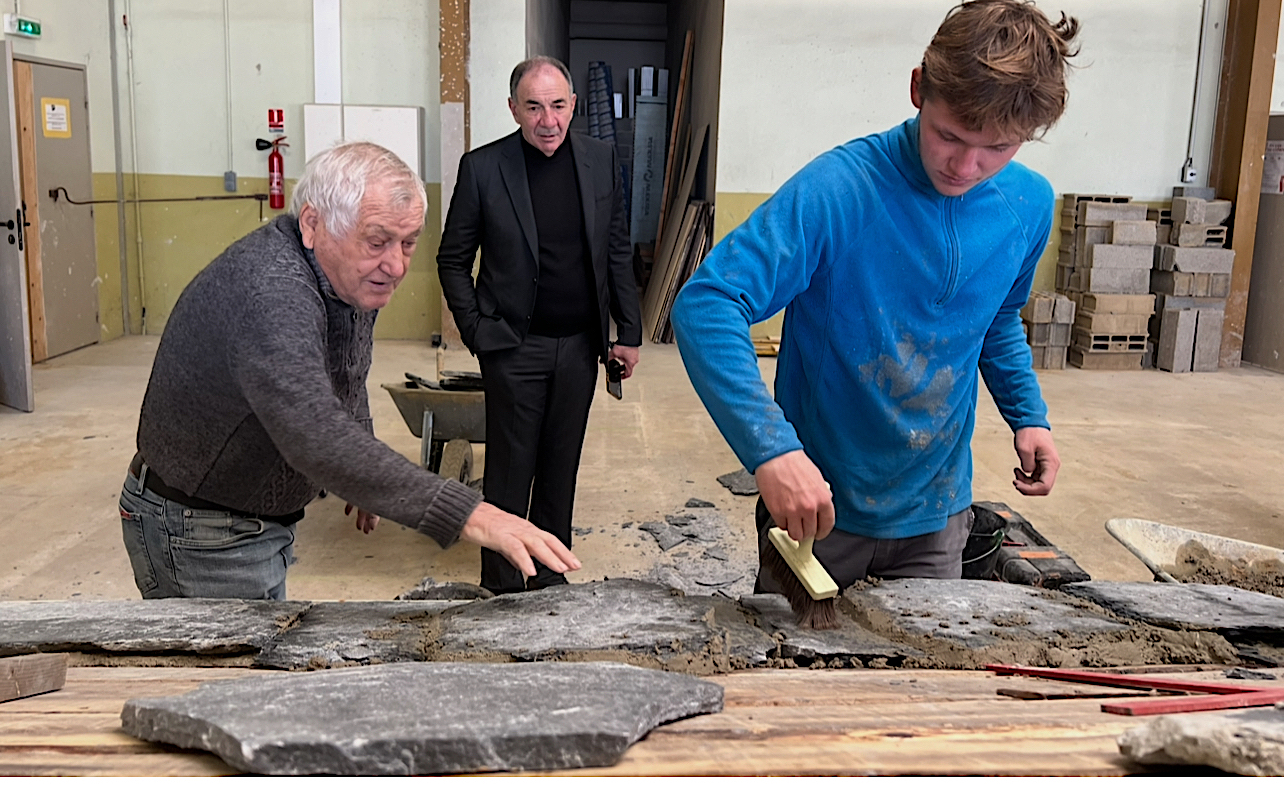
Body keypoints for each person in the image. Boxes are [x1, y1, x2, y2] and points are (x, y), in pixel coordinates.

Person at [671, 0, 1078, 591]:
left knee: (919, 672)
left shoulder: (1028, 206)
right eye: (950, 136)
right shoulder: (839, 191)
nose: (967, 166)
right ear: (918, 89)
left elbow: (996, 319)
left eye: (998, 148)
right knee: (795, 669)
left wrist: (1028, 416)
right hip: (818, 511)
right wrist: (772, 451)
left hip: (937, 514)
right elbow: (709, 303)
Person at [119, 141, 579, 600]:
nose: (396, 264)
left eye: (409, 242)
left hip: (247, 519)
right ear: (313, 224)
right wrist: (470, 513)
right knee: (237, 672)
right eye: (377, 241)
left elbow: (347, 370)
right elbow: (312, 432)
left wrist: (361, 466)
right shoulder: (273, 294)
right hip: (201, 531)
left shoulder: (349, 275)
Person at [438, 56, 642, 596]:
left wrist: (630, 331)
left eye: (557, 105)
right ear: (513, 110)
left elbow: (615, 249)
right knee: (509, 477)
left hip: (579, 348)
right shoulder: (484, 169)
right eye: (533, 107)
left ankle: (550, 593)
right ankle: (503, 595)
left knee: (560, 474)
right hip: (513, 348)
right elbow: (452, 260)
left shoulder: (600, 159)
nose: (547, 119)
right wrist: (477, 331)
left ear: (573, 105)